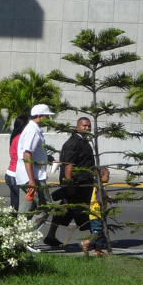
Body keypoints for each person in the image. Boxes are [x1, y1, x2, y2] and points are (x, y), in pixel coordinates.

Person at [44, 116, 94, 248]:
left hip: (83, 185)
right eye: (84, 125)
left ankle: (50, 236)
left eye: (89, 126)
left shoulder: (84, 141)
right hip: (76, 185)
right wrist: (69, 184)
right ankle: (93, 240)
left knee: (64, 210)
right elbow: (68, 166)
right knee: (84, 211)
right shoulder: (73, 143)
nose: (87, 128)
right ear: (77, 126)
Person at [13, 103, 51, 229]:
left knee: (24, 210)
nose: (49, 119)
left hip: (25, 175)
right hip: (34, 176)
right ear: (39, 116)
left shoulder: (31, 128)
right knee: (46, 207)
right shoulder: (33, 130)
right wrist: (32, 180)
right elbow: (27, 154)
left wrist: (46, 158)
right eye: (47, 116)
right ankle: (26, 236)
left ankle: (18, 239)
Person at [3, 113, 30, 211]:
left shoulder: (15, 136)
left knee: (14, 206)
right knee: (24, 206)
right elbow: (25, 157)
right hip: (16, 175)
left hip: (10, 173)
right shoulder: (21, 138)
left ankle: (11, 224)